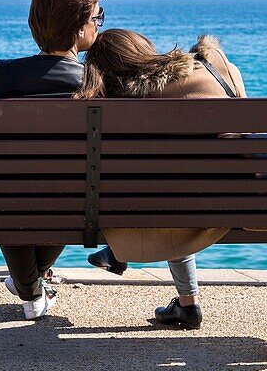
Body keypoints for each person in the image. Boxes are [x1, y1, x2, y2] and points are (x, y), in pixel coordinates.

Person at [77, 29, 245, 329]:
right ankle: (183, 301)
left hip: (177, 211)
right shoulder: (218, 70)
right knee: (177, 189)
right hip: (239, 200)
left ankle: (119, 253)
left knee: (164, 194)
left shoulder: (135, 104)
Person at [0, 0, 104, 319]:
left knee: (10, 189)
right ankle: (29, 289)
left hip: (4, 202)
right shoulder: (95, 87)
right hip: (76, 205)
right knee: (72, 185)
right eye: (97, 17)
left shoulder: (0, 76)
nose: (99, 25)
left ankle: (29, 289)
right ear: (79, 29)